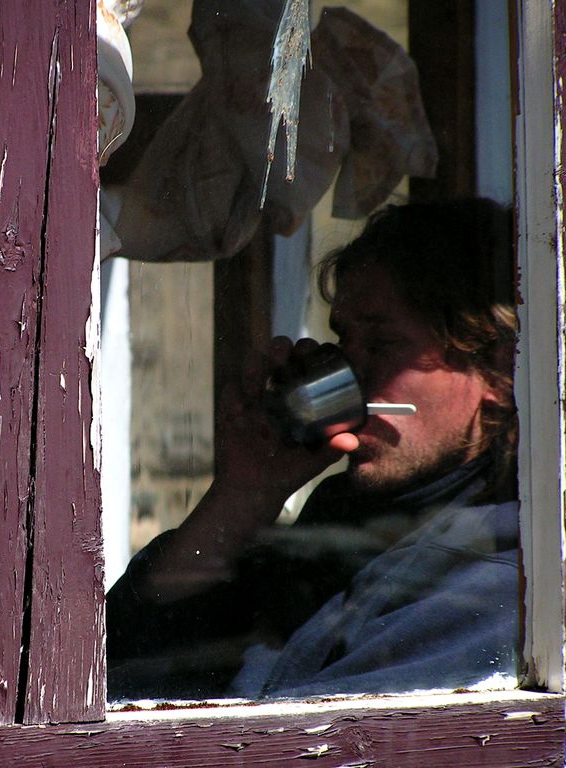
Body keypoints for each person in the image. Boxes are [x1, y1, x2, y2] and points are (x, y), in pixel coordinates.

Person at [106, 199, 520, 700]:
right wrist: (244, 495)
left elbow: (303, 738)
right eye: (345, 344)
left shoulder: (499, 571)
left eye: (383, 345)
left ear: (496, 371)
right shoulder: (347, 514)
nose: (349, 376)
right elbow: (117, 665)